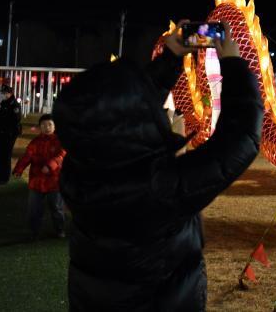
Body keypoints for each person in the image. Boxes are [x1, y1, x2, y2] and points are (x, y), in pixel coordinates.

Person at [53, 21, 262, 311]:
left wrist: (172, 57)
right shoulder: (156, 187)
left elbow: (123, 104)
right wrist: (234, 63)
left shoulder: (79, 171)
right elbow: (241, 139)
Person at [13, 114, 66, 238]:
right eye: (43, 125)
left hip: (55, 181)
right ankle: (33, 231)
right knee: (34, 209)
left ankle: (59, 229)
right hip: (37, 181)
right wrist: (19, 169)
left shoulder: (61, 141)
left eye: (49, 125)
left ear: (54, 126)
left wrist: (50, 165)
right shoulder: (35, 142)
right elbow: (27, 156)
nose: (47, 127)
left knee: (56, 208)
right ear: (39, 127)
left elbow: (62, 155)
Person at [0, 86, 22, 184]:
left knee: (5, 155)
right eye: (2, 93)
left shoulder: (14, 105)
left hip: (9, 134)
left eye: (4, 93)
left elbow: (16, 120)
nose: (2, 95)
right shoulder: (5, 103)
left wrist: (4, 126)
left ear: (10, 93)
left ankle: (4, 178)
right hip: (2, 132)